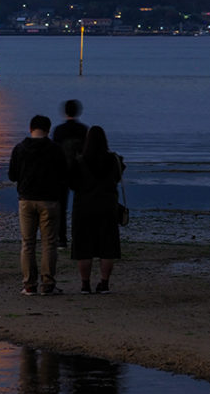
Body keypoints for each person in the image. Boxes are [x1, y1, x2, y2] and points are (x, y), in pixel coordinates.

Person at [8, 114, 68, 296]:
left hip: (26, 199)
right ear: (48, 130)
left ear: (30, 128)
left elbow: (12, 175)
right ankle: (48, 284)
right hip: (49, 200)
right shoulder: (55, 150)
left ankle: (29, 284)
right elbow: (63, 175)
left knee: (27, 243)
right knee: (49, 243)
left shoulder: (19, 149)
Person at [70, 125, 124, 294]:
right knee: (107, 247)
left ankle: (85, 284)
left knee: (83, 248)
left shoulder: (79, 162)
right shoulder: (114, 160)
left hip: (84, 208)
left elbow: (72, 184)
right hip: (108, 207)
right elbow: (117, 177)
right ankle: (104, 283)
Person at [52, 99, 88, 248]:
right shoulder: (84, 130)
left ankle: (62, 239)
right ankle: (80, 237)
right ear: (78, 112)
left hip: (62, 172)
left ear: (65, 112)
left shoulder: (59, 130)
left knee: (61, 207)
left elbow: (55, 153)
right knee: (80, 207)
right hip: (80, 172)